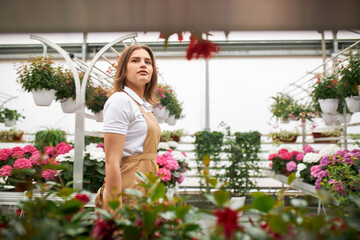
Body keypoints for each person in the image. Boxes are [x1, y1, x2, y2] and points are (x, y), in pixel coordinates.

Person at [95, 44, 161, 210]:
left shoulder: (143, 105)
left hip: (145, 188)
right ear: (124, 69)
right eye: (135, 60)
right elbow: (112, 161)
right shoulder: (120, 101)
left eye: (148, 62)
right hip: (128, 189)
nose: (143, 65)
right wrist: (114, 208)